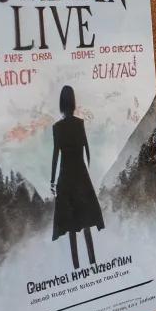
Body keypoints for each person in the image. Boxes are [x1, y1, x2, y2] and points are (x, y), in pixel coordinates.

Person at [50, 85, 104, 270]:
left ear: (61, 104)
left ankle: (76, 267)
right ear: (73, 102)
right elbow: (87, 150)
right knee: (87, 221)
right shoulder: (80, 124)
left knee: (72, 225)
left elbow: (55, 155)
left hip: (66, 178)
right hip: (81, 176)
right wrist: (90, 173)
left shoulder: (57, 127)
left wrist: (52, 180)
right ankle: (93, 262)